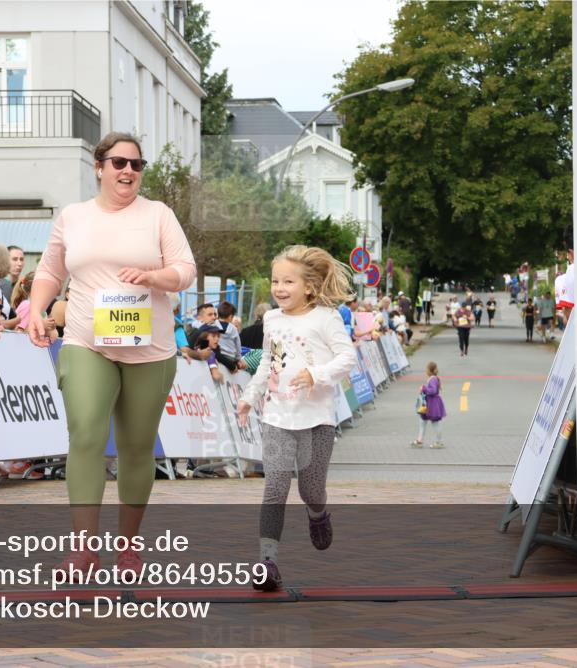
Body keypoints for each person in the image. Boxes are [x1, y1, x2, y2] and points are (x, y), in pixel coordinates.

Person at [26, 131, 196, 577]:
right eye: (119, 163)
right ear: (99, 167)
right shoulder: (74, 216)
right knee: (85, 435)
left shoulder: (158, 214)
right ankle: (83, 549)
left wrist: (155, 277)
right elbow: (50, 269)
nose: (127, 171)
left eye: (136, 165)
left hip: (150, 349)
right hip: (87, 341)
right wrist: (37, 310)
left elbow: (186, 270)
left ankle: (127, 547)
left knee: (136, 448)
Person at [236, 245, 357, 592]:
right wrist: (249, 397)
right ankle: (267, 562)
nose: (279, 288)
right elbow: (269, 366)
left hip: (317, 419)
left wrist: (316, 374)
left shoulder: (326, 318)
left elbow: (347, 358)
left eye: (288, 281)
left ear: (310, 286)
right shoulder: (272, 320)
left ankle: (318, 514)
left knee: (310, 489)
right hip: (276, 416)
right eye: (275, 281)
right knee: (274, 488)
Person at [411, 362, 446, 449]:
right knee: (422, 421)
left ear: (429, 370)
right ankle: (419, 440)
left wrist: (424, 388)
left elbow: (433, 390)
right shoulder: (433, 378)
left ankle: (439, 442)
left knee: (435, 423)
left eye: (426, 369)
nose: (425, 371)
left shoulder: (433, 379)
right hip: (428, 403)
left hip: (432, 404)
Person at [215, 301, 246, 372]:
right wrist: (238, 358)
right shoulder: (233, 328)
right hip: (230, 357)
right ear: (230, 316)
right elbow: (238, 345)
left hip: (218, 356)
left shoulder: (213, 325)